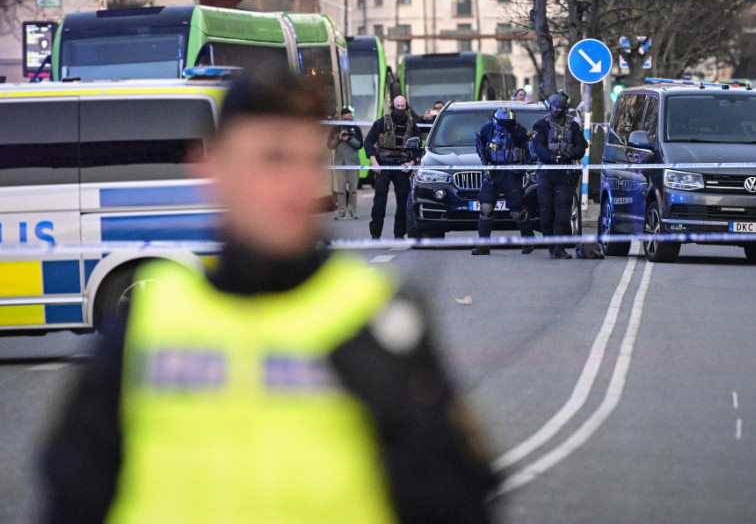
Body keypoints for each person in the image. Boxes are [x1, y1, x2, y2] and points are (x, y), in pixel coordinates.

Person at [41, 70, 496, 524]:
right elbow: (73, 496)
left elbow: (457, 504)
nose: (298, 185)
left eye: (309, 161)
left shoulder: (374, 318)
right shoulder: (149, 324)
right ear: (211, 167)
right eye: (273, 159)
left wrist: (407, 416)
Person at [471, 107, 535, 255]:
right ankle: (483, 245)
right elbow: (480, 146)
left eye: (509, 122)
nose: (506, 125)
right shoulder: (488, 129)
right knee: (485, 208)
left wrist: (524, 165)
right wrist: (485, 162)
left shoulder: (520, 131)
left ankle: (528, 239)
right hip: (492, 172)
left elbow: (532, 150)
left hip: (512, 173)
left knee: (516, 211)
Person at [531, 90, 587, 259]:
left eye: (560, 107)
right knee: (546, 211)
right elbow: (538, 147)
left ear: (565, 109)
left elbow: (581, 146)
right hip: (546, 173)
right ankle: (551, 245)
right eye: (554, 107)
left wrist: (567, 155)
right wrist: (552, 158)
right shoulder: (541, 125)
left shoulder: (573, 126)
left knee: (563, 211)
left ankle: (559, 247)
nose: (557, 110)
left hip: (565, 174)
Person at [364, 96, 421, 239]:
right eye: (398, 106)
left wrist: (411, 163)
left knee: (404, 202)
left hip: (402, 165)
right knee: (379, 201)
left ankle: (399, 235)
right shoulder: (382, 122)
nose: (400, 109)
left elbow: (418, 146)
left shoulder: (411, 124)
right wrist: (374, 161)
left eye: (403, 106)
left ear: (406, 107)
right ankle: (375, 234)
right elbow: (368, 142)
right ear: (393, 106)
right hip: (384, 163)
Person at [328, 106, 363, 219]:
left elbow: (359, 145)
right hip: (340, 163)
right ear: (341, 118)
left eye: (349, 119)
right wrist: (338, 138)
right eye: (344, 119)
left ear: (351, 118)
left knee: (353, 189)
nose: (347, 121)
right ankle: (341, 211)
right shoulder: (335, 129)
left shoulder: (355, 128)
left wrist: (349, 139)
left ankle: (352, 210)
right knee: (341, 190)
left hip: (353, 163)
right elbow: (329, 145)